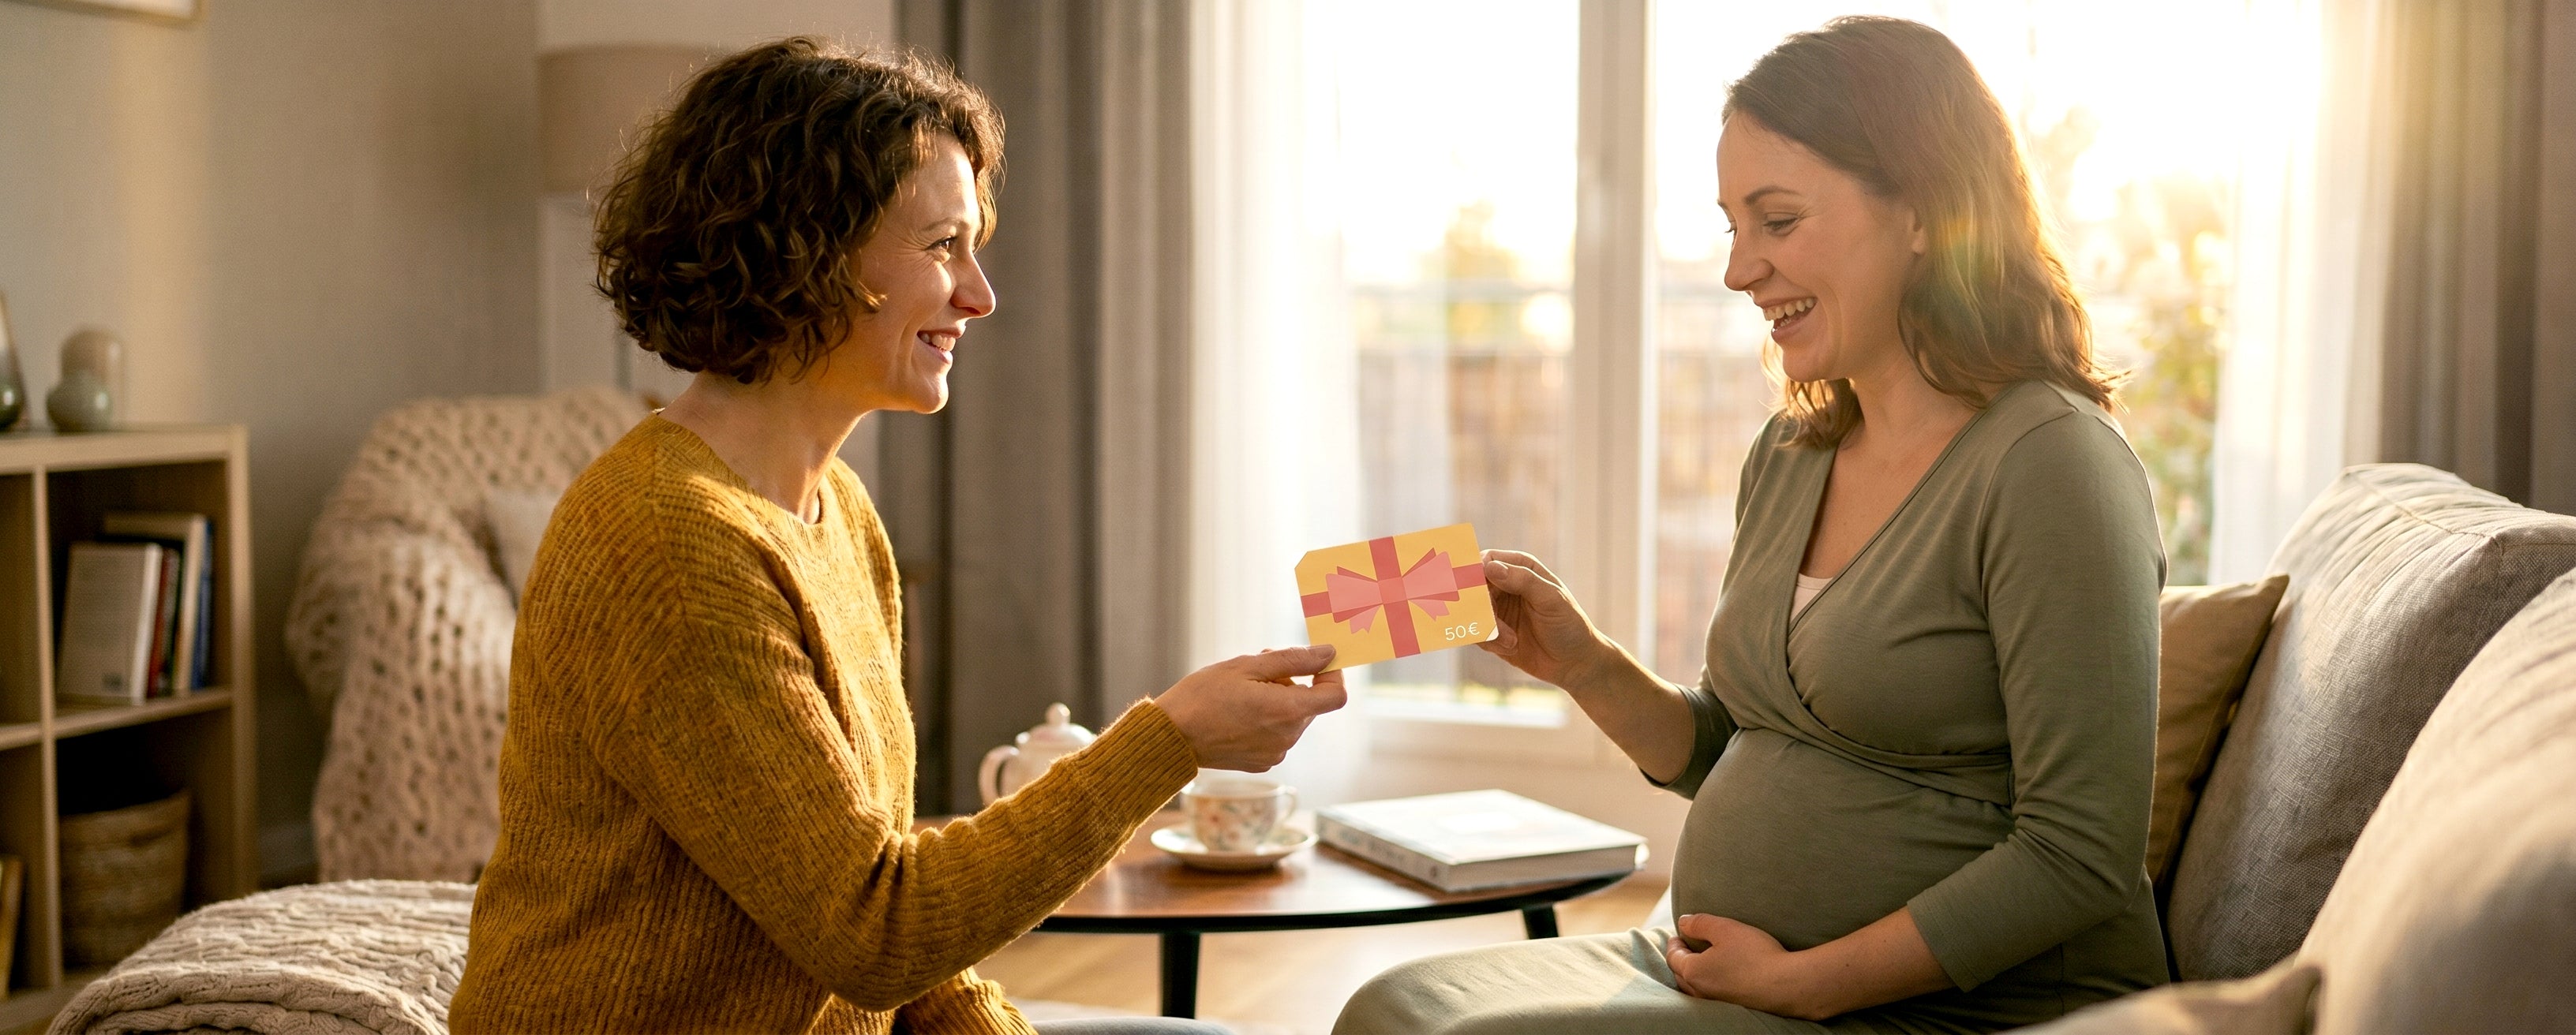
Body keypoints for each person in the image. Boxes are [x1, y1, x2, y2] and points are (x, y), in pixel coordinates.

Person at [447, 39, 1343, 1035]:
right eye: (942, 245)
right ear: (808, 246)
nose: (979, 295)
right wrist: (1168, 741)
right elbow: (875, 929)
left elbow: (884, 897)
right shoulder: (669, 544)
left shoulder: (837, 512)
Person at [1335, 17, 2166, 1034]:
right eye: (1733, 226)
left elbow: (2081, 851)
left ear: (1925, 213)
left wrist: (1802, 982)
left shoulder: (2051, 464)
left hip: (1962, 1008)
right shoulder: (1793, 452)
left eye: (1778, 221)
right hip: (1733, 973)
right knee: (1391, 1005)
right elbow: (1739, 740)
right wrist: (1584, 663)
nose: (1740, 272)